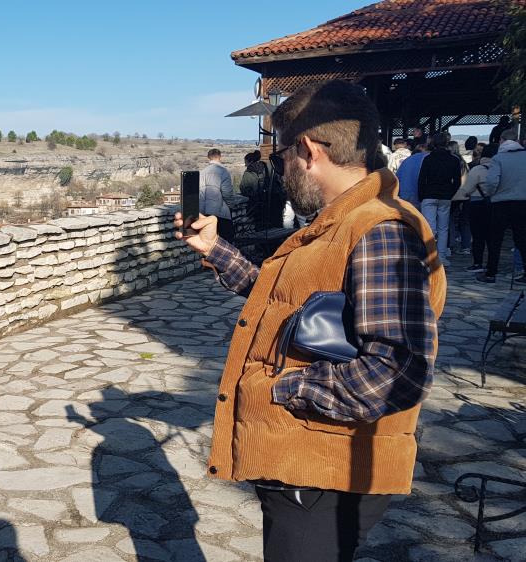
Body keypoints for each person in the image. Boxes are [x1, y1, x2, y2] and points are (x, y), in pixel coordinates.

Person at [174, 80, 445, 561]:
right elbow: (290, 300)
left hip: (323, 471)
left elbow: (397, 371)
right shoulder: (343, 222)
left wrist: (281, 389)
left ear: (308, 150)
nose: (280, 170)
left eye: (281, 158)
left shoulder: (380, 229)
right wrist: (216, 251)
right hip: (314, 461)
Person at [478, 129, 526, 283]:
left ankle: (491, 272)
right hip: (522, 202)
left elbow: (492, 181)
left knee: (495, 239)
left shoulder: (498, 158)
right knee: (522, 239)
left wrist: (490, 193)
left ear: (501, 141)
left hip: (501, 202)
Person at [418, 133, 463, 265]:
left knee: (429, 227)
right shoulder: (454, 160)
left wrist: (422, 195)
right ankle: (441, 256)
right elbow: (457, 181)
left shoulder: (428, 159)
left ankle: (429, 255)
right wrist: (450, 193)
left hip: (429, 194)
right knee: (444, 228)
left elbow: (422, 179)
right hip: (445, 196)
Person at [454, 143, 498, 273]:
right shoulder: (499, 169)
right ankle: (492, 265)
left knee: (478, 236)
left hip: (477, 204)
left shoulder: (478, 170)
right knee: (493, 237)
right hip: (495, 204)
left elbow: (467, 189)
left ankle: (478, 263)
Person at [200, 148, 235, 239]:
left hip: (205, 212)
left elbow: (199, 194)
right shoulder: (223, 172)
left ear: (208, 157)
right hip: (221, 212)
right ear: (220, 157)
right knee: (226, 239)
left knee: (209, 241)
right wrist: (231, 206)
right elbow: (227, 193)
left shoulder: (202, 173)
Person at [396, 142, 428, 208]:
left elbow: (397, 178)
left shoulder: (406, 161)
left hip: (405, 194)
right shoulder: (427, 159)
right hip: (421, 195)